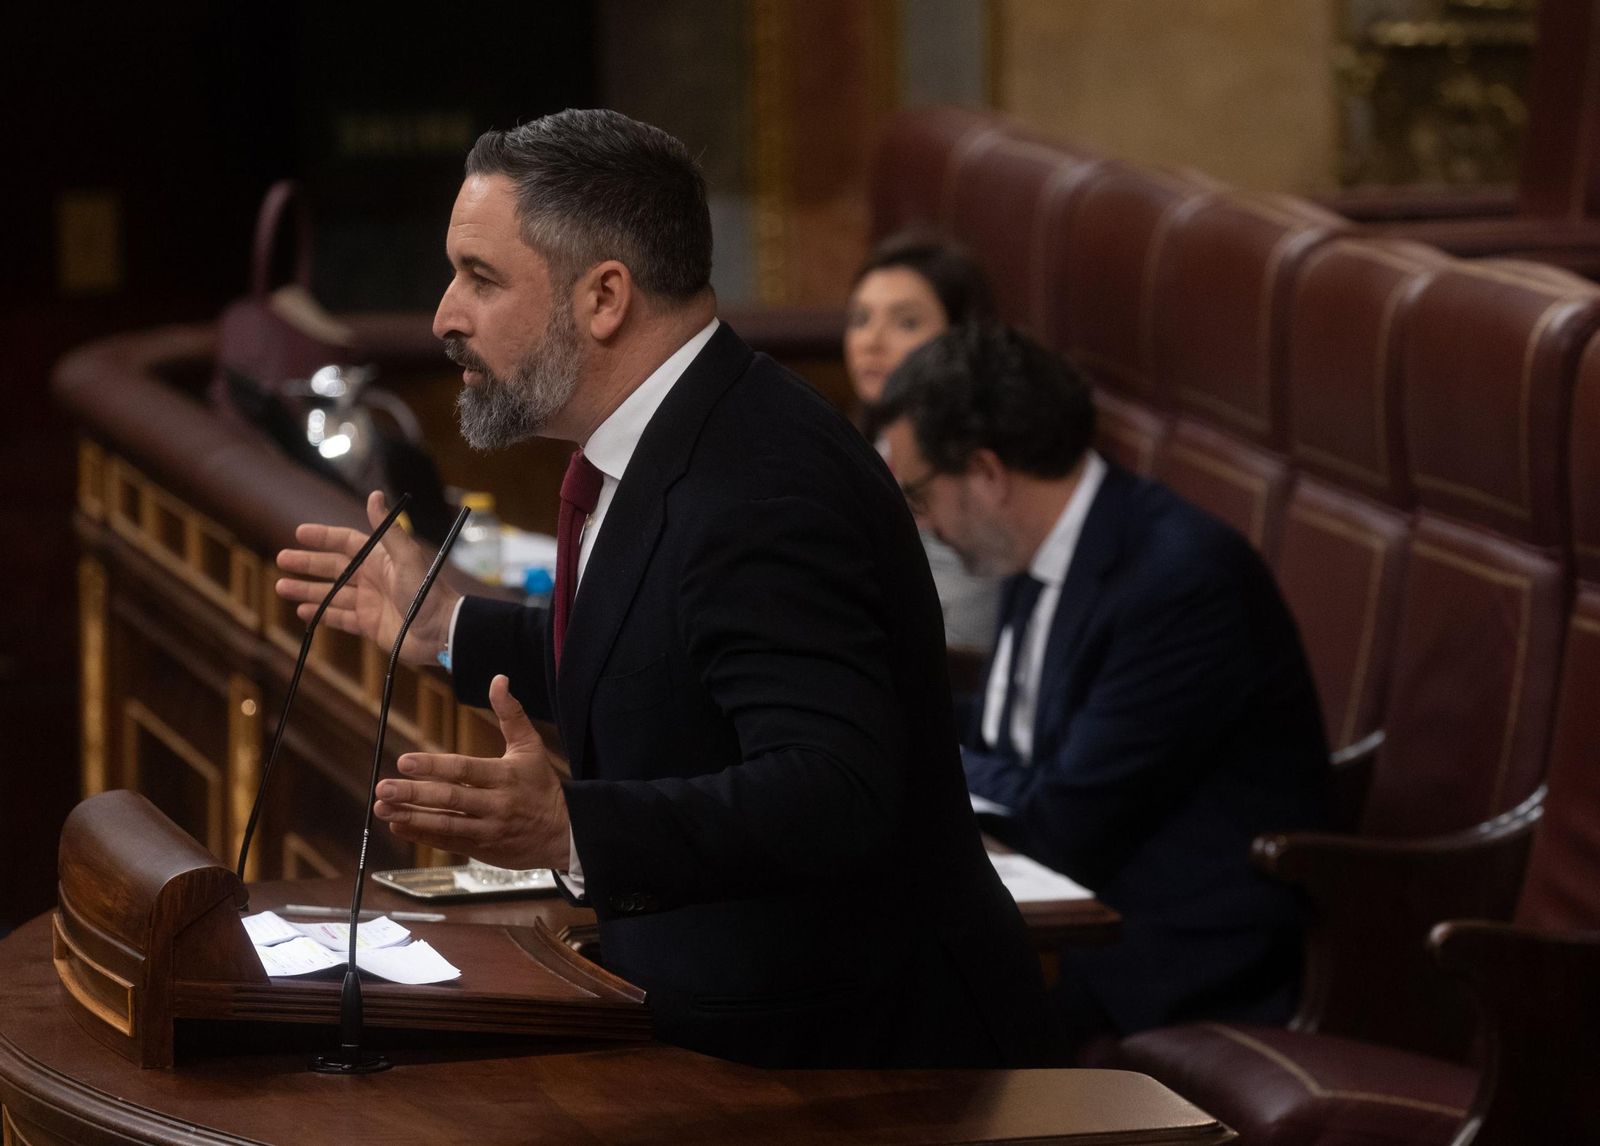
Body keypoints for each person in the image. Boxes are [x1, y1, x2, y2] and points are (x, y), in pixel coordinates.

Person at [274, 109, 1048, 1070]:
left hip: (856, 1063)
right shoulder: (683, 432)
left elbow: (834, 789)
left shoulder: (761, 485)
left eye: (480, 278)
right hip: (728, 1016)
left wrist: (571, 826)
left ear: (604, 297)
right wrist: (446, 631)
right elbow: (661, 661)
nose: (443, 316)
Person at [869, 324, 1329, 1047]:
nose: (921, 523)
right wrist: (883, 717)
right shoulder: (1036, 544)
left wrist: (913, 751)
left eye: (919, 494)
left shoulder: (1177, 581)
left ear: (987, 474)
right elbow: (1006, 740)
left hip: (1166, 951)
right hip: (1078, 910)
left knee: (890, 1007)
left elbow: (1064, 815)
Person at [844, 234, 1002, 651]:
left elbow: (962, 637)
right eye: (860, 319)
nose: (871, 341)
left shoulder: (973, 466)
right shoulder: (879, 442)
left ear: (958, 337)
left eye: (905, 322)